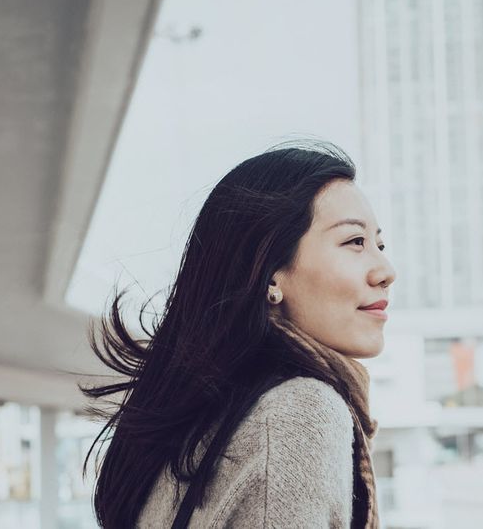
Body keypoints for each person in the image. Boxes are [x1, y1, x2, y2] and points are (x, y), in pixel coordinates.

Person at [80, 140, 396, 528]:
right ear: (271, 271)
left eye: (379, 244)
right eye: (355, 242)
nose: (385, 270)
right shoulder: (296, 411)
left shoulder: (210, 418)